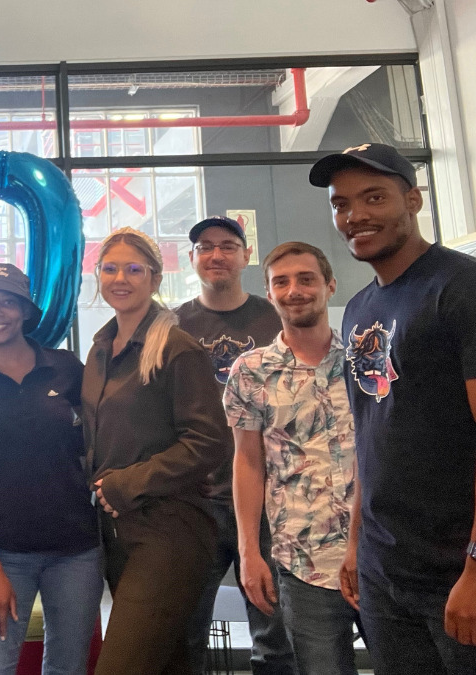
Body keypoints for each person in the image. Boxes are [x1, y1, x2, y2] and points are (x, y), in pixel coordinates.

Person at [311, 142, 476, 673]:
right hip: (384, 570)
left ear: (413, 200)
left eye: (374, 197)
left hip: (462, 570)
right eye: (341, 204)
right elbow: (370, 432)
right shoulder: (358, 309)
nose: (355, 216)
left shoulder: (470, 289)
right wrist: (356, 544)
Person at [0, 263, 102, 675]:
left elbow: (98, 445)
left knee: (68, 668)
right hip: (4, 552)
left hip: (77, 550)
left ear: (26, 311)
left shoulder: (65, 367)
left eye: (8, 302)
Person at [83, 227, 229, 675]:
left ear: (154, 277)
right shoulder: (100, 350)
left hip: (171, 528)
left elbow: (208, 442)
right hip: (116, 532)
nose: (120, 278)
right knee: (167, 665)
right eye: (110, 268)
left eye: (133, 269)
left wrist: (129, 483)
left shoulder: (176, 348)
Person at [225, 242, 361, 675]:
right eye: (281, 282)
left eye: (306, 279)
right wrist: (249, 551)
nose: (294, 290)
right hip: (302, 559)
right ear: (269, 293)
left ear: (330, 286)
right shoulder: (250, 370)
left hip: (378, 553)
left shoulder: (365, 362)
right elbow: (247, 463)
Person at [174, 215, 295, 675]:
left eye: (228, 245)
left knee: (275, 636)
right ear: (192, 259)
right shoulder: (172, 324)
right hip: (196, 502)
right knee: (186, 636)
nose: (216, 254)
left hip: (267, 501)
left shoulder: (276, 316)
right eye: (205, 246)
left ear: (246, 256)